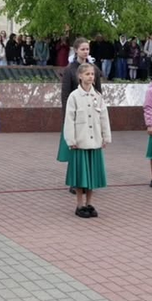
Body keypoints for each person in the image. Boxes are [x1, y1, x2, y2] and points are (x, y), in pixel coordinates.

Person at [64, 63, 111, 218]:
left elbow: (104, 117)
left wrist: (106, 137)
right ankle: (79, 204)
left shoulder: (97, 96)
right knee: (80, 175)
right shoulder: (74, 96)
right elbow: (69, 119)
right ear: (80, 76)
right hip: (80, 141)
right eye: (87, 74)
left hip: (95, 141)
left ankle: (89, 203)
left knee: (91, 175)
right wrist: (71, 139)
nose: (91, 77)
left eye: (92, 74)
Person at [58, 38, 102, 193]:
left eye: (87, 49)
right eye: (83, 49)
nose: (85, 52)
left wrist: (99, 112)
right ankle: (75, 181)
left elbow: (98, 92)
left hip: (91, 114)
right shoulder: (70, 69)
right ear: (76, 50)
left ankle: (88, 179)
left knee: (90, 147)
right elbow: (65, 95)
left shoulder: (93, 69)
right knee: (75, 149)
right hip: (76, 114)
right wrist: (66, 119)